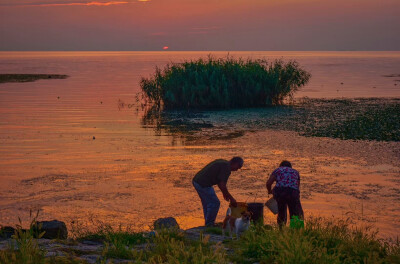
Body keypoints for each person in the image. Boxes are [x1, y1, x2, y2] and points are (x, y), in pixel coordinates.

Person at [192, 157, 243, 227]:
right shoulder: (226, 168)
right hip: (202, 184)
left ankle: (208, 223)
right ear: (235, 163)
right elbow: (222, 185)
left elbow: (220, 182)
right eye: (238, 166)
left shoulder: (224, 163)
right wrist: (232, 199)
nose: (237, 169)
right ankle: (209, 224)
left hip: (197, 181)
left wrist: (225, 194)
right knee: (215, 203)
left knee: (207, 203)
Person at [266, 160, 304, 226]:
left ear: (281, 166)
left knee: (281, 212)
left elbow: (268, 183)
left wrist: (270, 191)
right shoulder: (295, 172)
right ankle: (295, 231)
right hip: (293, 192)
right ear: (290, 167)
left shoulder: (277, 170)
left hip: (280, 192)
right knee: (295, 213)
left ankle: (281, 230)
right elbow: (297, 187)